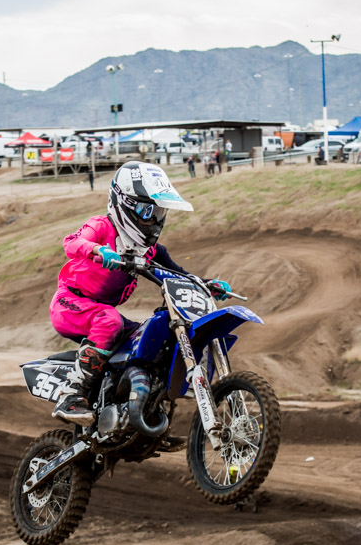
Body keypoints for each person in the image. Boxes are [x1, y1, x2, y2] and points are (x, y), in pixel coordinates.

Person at [48, 161, 230, 425]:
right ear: (125, 203)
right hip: (70, 302)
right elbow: (71, 242)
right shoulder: (102, 227)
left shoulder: (151, 251)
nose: (154, 220)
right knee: (109, 321)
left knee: (147, 336)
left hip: (101, 311)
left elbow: (178, 274)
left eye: (159, 212)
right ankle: (71, 395)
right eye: (147, 211)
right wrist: (99, 250)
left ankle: (132, 405)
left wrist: (207, 284)